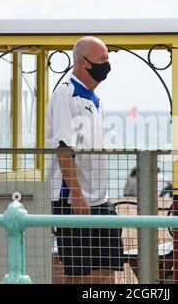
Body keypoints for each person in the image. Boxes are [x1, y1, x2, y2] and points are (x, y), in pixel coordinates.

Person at [45, 36, 124, 284]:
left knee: (107, 268)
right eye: (102, 60)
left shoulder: (94, 99)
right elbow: (63, 147)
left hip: (100, 199)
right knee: (77, 272)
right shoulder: (66, 94)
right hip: (74, 200)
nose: (107, 66)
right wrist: (77, 195)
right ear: (82, 62)